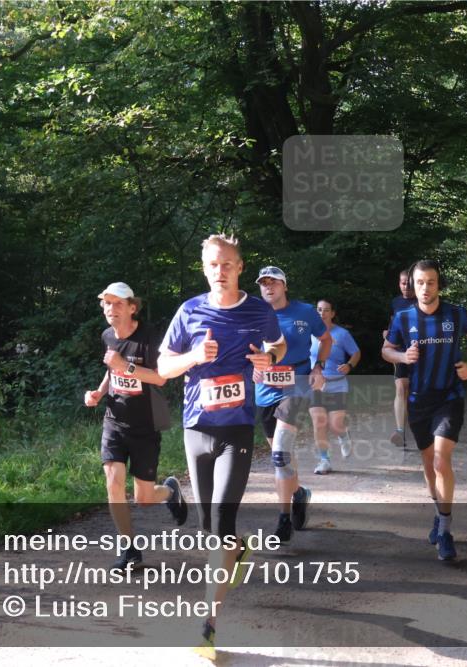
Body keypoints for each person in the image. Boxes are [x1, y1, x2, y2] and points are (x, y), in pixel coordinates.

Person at [157, 235, 286, 661]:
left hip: (237, 429)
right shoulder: (189, 311)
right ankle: (235, 546)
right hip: (197, 426)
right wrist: (193, 356)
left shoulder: (258, 309)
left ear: (240, 266)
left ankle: (207, 629)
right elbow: (162, 367)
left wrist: (269, 358)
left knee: (220, 524)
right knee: (207, 528)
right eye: (213, 264)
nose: (220, 270)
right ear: (204, 267)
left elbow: (277, 344)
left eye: (227, 263)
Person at [382, 260, 467, 561]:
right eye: (420, 282)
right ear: (412, 285)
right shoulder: (403, 317)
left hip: (449, 396)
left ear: (439, 284)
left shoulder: (456, 313)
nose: (425, 288)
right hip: (418, 400)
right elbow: (385, 350)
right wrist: (402, 355)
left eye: (431, 282)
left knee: (441, 460)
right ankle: (438, 515)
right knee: (428, 464)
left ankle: (446, 530)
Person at [83, 282, 188, 572]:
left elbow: (160, 378)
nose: (111, 309)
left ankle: (170, 492)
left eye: (118, 304)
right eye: (106, 303)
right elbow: (111, 368)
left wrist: (125, 366)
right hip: (114, 420)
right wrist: (99, 392)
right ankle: (129, 548)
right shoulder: (107, 335)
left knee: (143, 499)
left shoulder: (150, 337)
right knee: (113, 481)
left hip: (145, 425)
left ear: (132, 307)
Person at [253, 267, 332, 541]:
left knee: (279, 452)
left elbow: (326, 339)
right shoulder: (253, 314)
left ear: (284, 286)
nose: (268, 288)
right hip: (263, 390)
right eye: (263, 284)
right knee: (282, 458)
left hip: (295, 384)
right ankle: (298, 493)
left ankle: (283, 518)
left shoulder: (305, 312)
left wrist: (318, 366)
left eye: (273, 283)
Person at [309, 299, 361, 472]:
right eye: (319, 310)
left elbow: (356, 353)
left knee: (335, 424)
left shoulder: (342, 334)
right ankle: (324, 460)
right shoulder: (308, 334)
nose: (322, 313)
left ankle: (343, 434)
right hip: (315, 385)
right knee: (319, 422)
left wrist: (349, 365)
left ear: (332, 314)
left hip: (337, 384)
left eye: (326, 310)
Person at [384, 269, 415, 447]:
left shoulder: (422, 301)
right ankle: (400, 431)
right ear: (399, 283)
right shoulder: (396, 302)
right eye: (403, 283)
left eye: (409, 283)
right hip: (400, 350)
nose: (406, 286)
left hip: (420, 350)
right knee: (401, 387)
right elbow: (392, 322)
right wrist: (388, 334)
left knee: (416, 390)